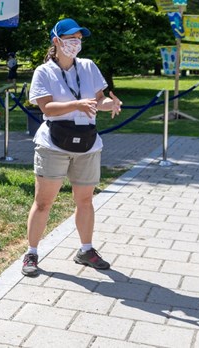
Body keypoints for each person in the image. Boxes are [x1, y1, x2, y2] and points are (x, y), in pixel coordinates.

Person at [21, 18, 123, 277]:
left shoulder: (88, 66)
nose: (75, 44)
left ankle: (86, 250)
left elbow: (97, 102)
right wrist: (77, 104)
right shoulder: (43, 72)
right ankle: (31, 253)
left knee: (85, 200)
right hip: (53, 143)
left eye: (79, 39)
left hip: (87, 143)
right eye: (70, 39)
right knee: (44, 202)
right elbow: (46, 108)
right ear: (56, 41)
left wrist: (110, 105)